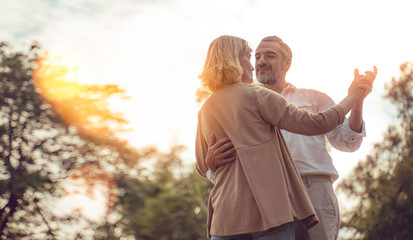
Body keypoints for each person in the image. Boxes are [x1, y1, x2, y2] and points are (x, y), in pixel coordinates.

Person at [195, 35, 374, 240]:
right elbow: (317, 123)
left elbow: (347, 140)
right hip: (264, 203)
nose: (257, 64)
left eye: (269, 56)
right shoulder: (255, 96)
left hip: (301, 193)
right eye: (253, 56)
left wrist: (357, 102)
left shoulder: (205, 109)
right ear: (235, 60)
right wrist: (353, 96)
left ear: (287, 63)